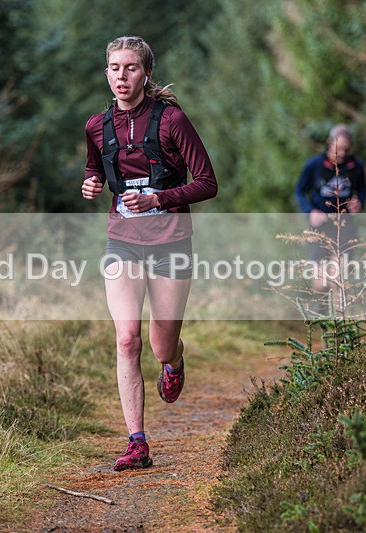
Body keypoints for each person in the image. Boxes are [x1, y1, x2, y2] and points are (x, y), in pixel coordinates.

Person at [81, 36, 217, 471]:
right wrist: (92, 184)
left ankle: (175, 360)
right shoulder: (96, 126)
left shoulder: (172, 120)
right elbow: (94, 165)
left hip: (171, 240)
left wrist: (158, 199)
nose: (122, 76)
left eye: (131, 68)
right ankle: (136, 441)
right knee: (126, 339)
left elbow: (207, 182)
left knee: (160, 346)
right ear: (106, 73)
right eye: (115, 68)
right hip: (122, 240)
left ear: (146, 74)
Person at [294, 124, 366, 300]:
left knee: (337, 278)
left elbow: (362, 192)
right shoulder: (314, 165)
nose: (341, 153)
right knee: (320, 282)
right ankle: (322, 317)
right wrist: (310, 211)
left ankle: (338, 324)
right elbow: (299, 191)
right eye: (338, 148)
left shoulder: (356, 166)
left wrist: (359, 204)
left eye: (346, 149)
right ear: (329, 143)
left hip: (345, 226)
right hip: (319, 228)